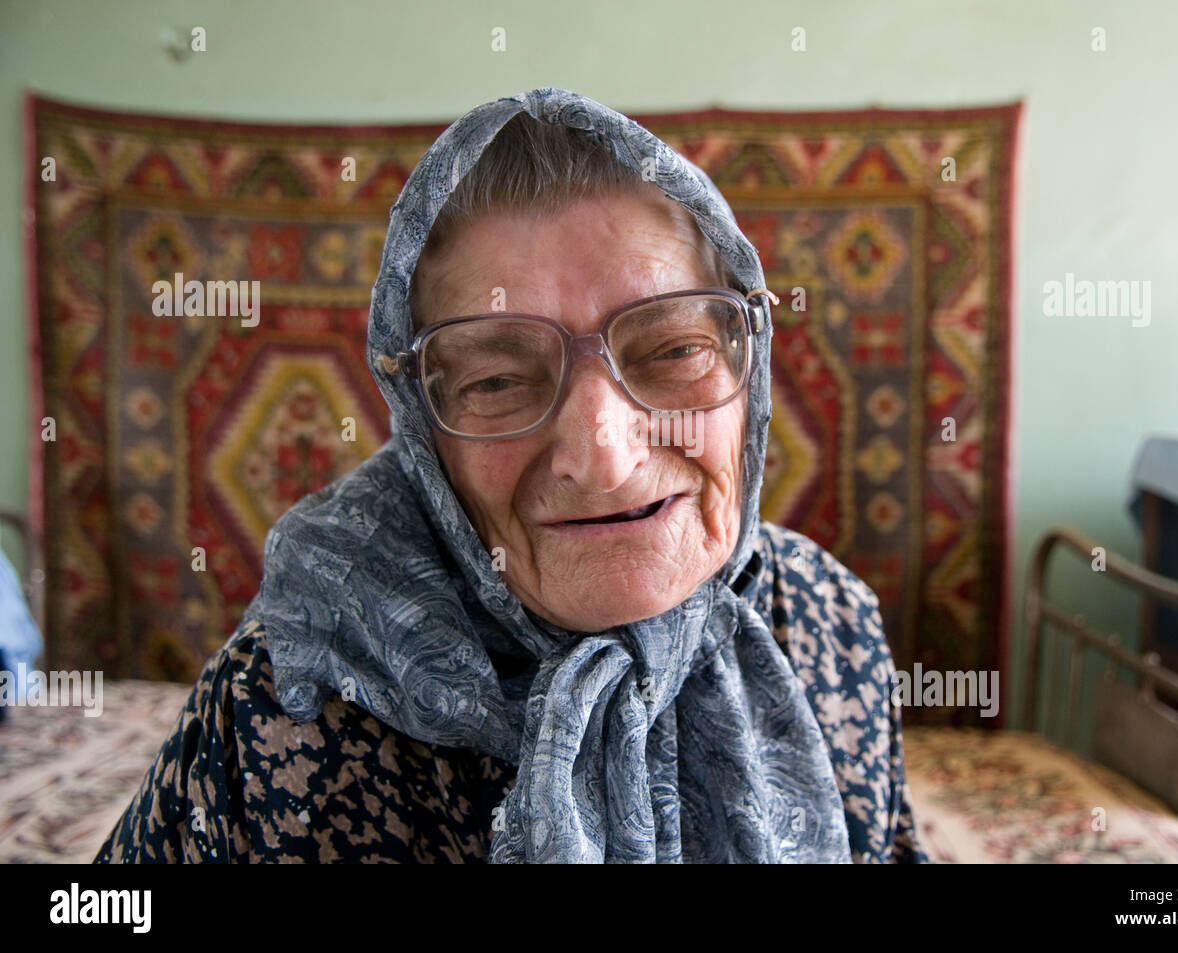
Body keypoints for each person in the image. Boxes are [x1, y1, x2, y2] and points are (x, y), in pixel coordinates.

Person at [94, 87, 927, 863]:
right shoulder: (288, 697)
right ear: (424, 427)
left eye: (674, 350)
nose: (604, 458)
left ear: (752, 362)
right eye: (497, 380)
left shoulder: (828, 621)